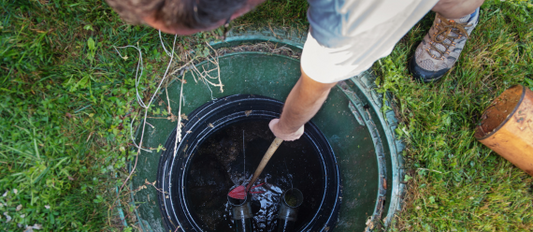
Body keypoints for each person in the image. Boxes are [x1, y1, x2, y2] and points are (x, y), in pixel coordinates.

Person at [106, 0, 484, 141]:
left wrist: (287, 126)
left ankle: (460, 11)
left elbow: (317, 85)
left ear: (238, 12)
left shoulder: (346, 16)